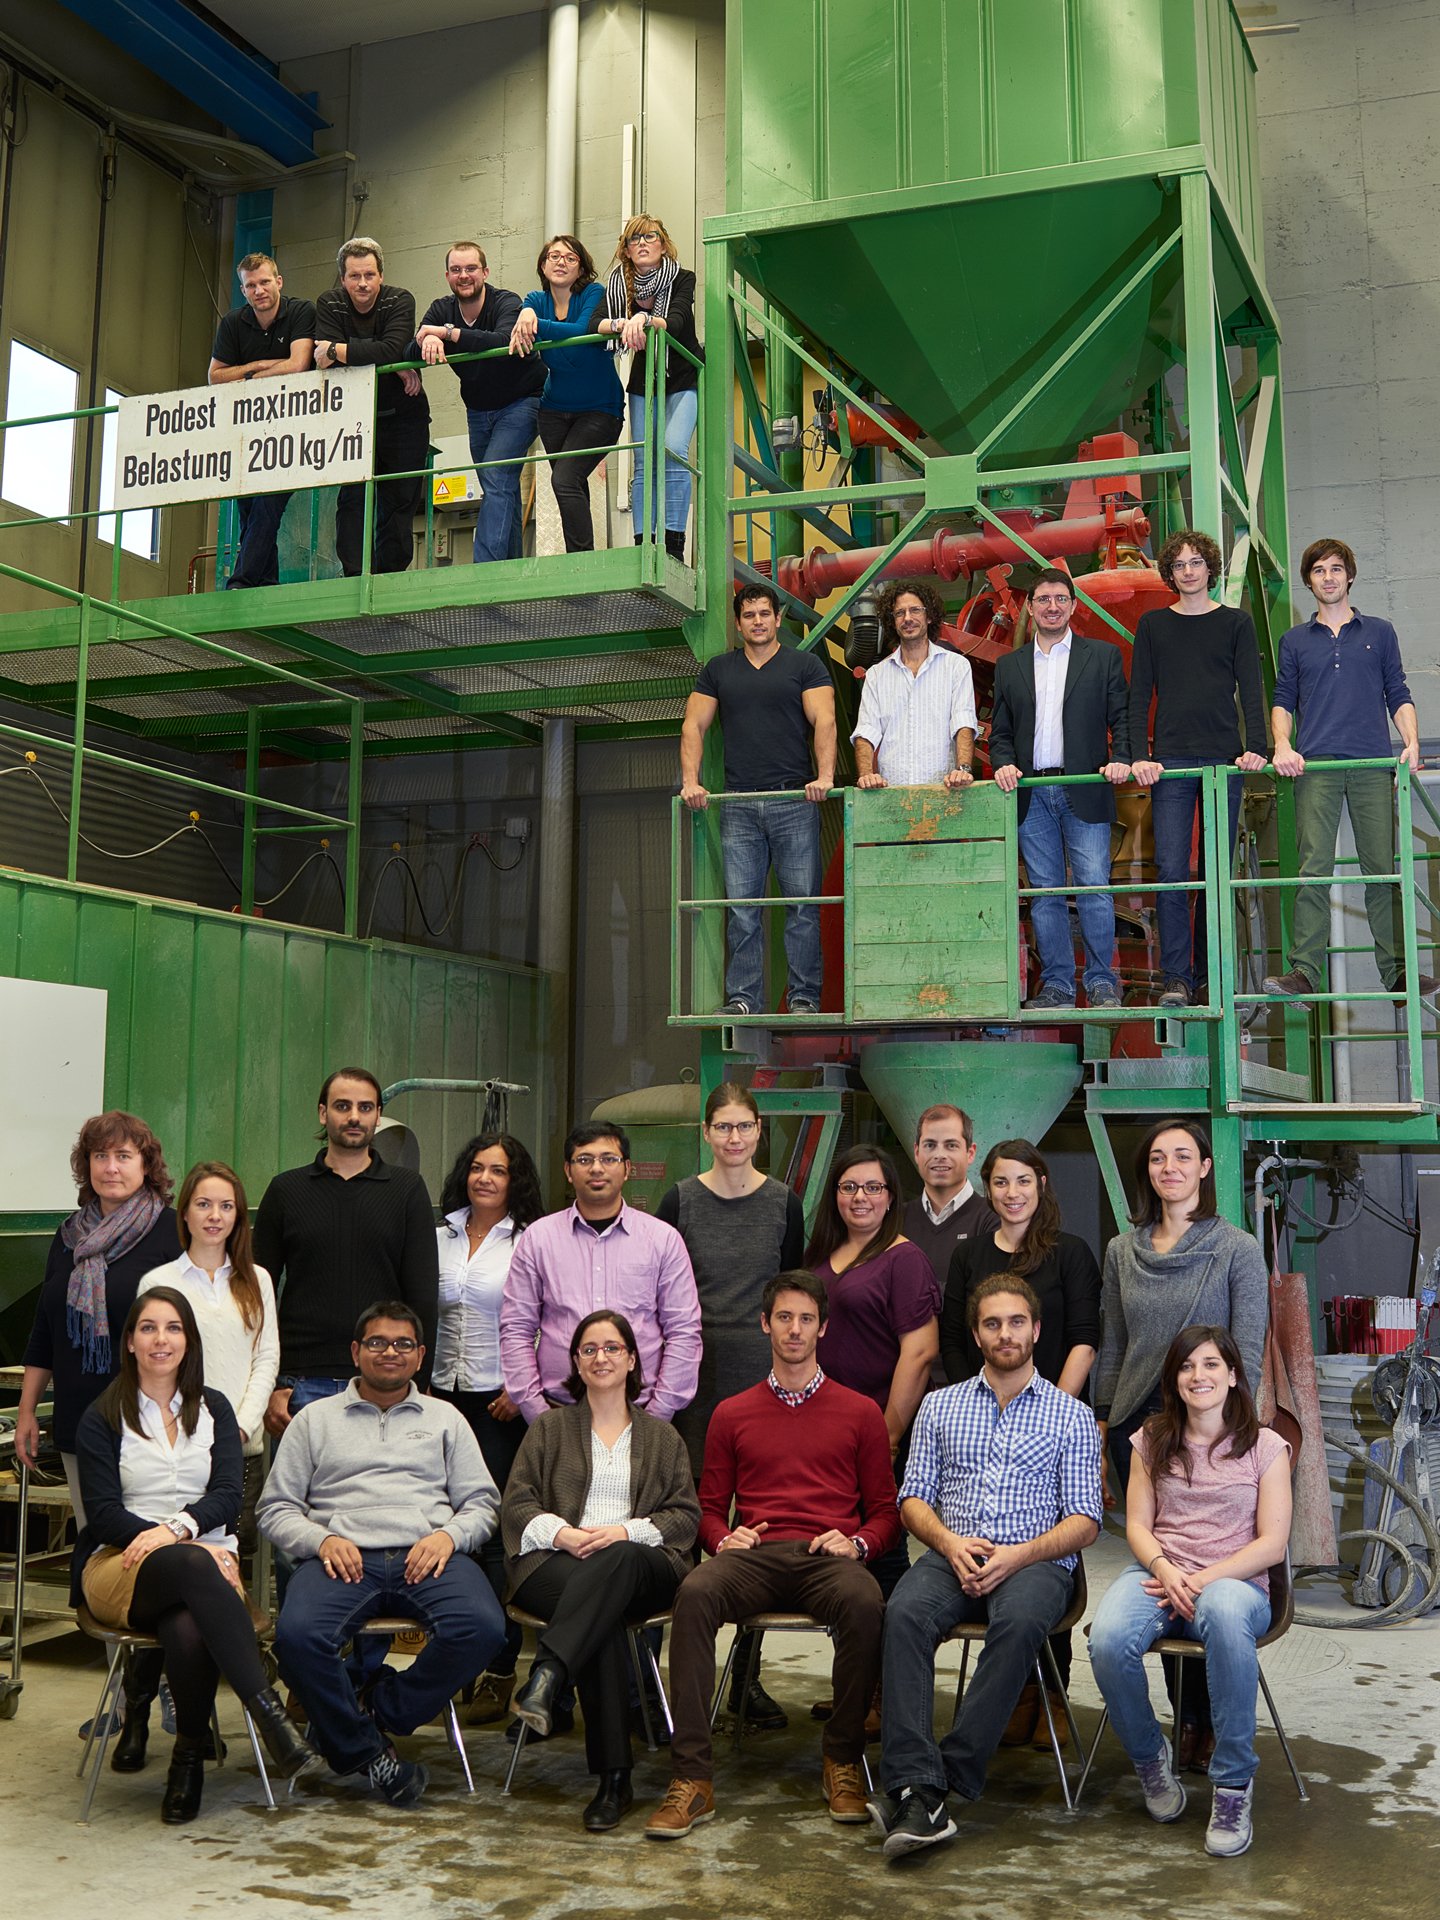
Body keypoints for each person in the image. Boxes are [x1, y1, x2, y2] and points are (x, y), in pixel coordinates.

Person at [645, 1271, 901, 1839]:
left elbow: (886, 1511)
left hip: (826, 1555)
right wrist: (720, 1538)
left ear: (823, 1328)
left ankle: (841, 1759)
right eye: (783, 1317)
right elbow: (707, 1508)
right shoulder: (733, 1412)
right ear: (766, 1324)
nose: (794, 1329)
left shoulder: (859, 1413)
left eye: (806, 1319)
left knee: (866, 1601)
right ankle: (692, 1778)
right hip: (754, 1552)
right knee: (693, 1593)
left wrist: (857, 1543)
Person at [871, 1276, 1102, 1859]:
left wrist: (1019, 1555)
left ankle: (937, 1782)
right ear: (976, 1334)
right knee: (901, 1613)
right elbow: (912, 1498)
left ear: (1036, 1329)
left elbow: (1086, 1520)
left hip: (1036, 1560)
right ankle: (919, 1784)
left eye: (1017, 1322)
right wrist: (948, 1543)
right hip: (953, 1553)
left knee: (1019, 1623)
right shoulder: (940, 1406)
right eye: (993, 1323)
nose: (1006, 1333)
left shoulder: (1068, 1415)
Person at [72, 1287, 317, 1823]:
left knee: (186, 1625)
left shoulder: (214, 1408)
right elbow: (104, 1514)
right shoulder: (102, 1415)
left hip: (200, 1562)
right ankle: (266, 1712)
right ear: (131, 1342)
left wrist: (177, 1530)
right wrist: (175, 1538)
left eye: (174, 1328)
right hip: (120, 1563)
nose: (161, 1339)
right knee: (194, 1563)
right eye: (148, 1328)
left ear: (190, 1340)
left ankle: (188, 1759)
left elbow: (230, 1496)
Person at [259, 1300, 506, 1807]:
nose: (389, 1352)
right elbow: (275, 1508)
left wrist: (448, 1537)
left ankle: (377, 1712)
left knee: (483, 1627)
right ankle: (369, 1754)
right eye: (376, 1342)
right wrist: (321, 1540)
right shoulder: (314, 1420)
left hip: (431, 1556)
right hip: (342, 1560)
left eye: (402, 1344)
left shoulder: (446, 1418)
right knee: (298, 1635)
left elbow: (483, 1504)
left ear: (419, 1357)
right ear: (356, 1352)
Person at [1093, 1119, 1269, 1771]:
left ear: (1203, 1168)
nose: (1169, 1166)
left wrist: (1234, 1429)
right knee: (1161, 1565)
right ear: (1148, 1173)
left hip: (1214, 1425)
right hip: (1142, 1427)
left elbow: (1245, 1348)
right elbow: (1114, 1345)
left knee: (1208, 1561)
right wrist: (1105, 1424)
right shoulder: (1121, 1250)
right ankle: (1185, 1718)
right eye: (1158, 1158)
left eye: (1183, 1156)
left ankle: (1206, 1721)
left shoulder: (1237, 1249)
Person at [1088, 1325, 1293, 1859]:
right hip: (1160, 1573)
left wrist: (1202, 1579)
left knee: (1224, 1613)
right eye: (1186, 1366)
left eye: (1209, 1364)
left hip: (1233, 1584)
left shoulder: (1266, 1446)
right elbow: (1136, 1525)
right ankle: (1151, 1762)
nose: (1198, 1375)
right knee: (1108, 1639)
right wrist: (1166, 1568)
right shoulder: (1150, 1439)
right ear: (1173, 1379)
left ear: (1232, 1374)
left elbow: (1273, 1544)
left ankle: (1232, 1786)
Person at [502, 1310, 700, 1831]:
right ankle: (615, 1780)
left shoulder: (662, 1437)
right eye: (589, 1349)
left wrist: (623, 1532)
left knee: (617, 1561)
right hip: (558, 1564)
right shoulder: (550, 1428)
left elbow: (684, 1516)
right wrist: (563, 1534)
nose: (601, 1357)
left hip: (642, 1565)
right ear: (575, 1362)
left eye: (613, 1348)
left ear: (633, 1359)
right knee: (601, 1616)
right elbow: (517, 1503)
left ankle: (547, 1674)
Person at [939, 1137, 1101, 1743]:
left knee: (1049, 1554)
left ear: (1041, 1186)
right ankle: (1013, 1694)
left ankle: (1049, 1695)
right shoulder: (970, 1253)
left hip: (1054, 1417)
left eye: (1023, 1181)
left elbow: (1085, 1335)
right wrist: (977, 1403)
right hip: (979, 1417)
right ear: (989, 1188)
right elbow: (955, 1338)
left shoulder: (1071, 1253)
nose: (1012, 1193)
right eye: (1001, 1182)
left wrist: (1048, 1407)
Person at [657, 1082, 805, 1732]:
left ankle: (747, 1677)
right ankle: (683, 1678)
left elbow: (792, 1290)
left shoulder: (783, 1203)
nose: (735, 1138)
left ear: (758, 1131)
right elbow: (664, 1287)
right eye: (724, 1126)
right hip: (696, 1377)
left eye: (745, 1126)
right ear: (707, 1131)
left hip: (766, 1380)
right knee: (693, 1522)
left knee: (765, 1525)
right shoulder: (680, 1200)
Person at [1264, 535, 1438, 1006]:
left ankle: (1399, 974)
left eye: (1336, 568)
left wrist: (1412, 741)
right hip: (1316, 766)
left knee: (1381, 870)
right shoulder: (1295, 641)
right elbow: (1282, 700)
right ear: (1309, 582)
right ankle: (1304, 971)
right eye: (1319, 571)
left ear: (1350, 575)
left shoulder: (1379, 632)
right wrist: (1282, 743)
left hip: (1371, 765)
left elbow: (1397, 691)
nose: (1328, 577)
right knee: (1312, 870)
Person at [254, 1066, 439, 1441]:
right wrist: (269, 1384)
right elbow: (257, 1295)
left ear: (377, 1115)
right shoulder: (286, 1190)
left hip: (385, 1380)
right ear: (323, 1113)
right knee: (298, 1500)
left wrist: (418, 1378)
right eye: (343, 1106)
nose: (354, 1116)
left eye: (365, 1107)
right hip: (300, 1386)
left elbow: (422, 1294)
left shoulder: (406, 1191)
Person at [680, 581, 837, 1017]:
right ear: (738, 623)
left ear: (778, 619)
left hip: (793, 801)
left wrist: (824, 776)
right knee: (743, 910)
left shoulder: (804, 666)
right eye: (749, 616)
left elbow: (824, 719)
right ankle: (743, 998)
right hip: (739, 806)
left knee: (803, 906)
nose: (758, 622)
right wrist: (689, 782)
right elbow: (693, 725)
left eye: (764, 614)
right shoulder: (718, 670)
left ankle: (804, 997)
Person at [16, 1110, 180, 1525]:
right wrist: (27, 1410)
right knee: (95, 1544)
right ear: (85, 1164)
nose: (110, 1167)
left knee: (146, 1548)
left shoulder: (172, 1232)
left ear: (147, 1165)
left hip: (149, 1422)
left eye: (124, 1156)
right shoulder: (69, 1235)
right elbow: (45, 1332)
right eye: (100, 1155)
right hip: (78, 1418)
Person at [430, 1129, 544, 1725]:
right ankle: (455, 1658)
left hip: (501, 1403)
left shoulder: (530, 1239)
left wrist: (516, 1387)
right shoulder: (440, 1235)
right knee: (448, 1527)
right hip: (441, 1399)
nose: (485, 1179)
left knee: (499, 1532)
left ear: (514, 1180)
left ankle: (501, 1667)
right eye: (476, 1168)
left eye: (498, 1170)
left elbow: (545, 1318)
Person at [1128, 529, 1269, 1008]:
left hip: (1222, 762)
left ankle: (1209, 975)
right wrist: (1137, 756)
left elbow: (1252, 690)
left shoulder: (1236, 624)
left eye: (1195, 562)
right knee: (1171, 871)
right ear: (1170, 574)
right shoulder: (1153, 625)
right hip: (1169, 763)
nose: (1188, 571)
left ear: (1210, 568)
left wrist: (1258, 751)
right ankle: (1176, 979)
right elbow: (1138, 695)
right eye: (1179, 565)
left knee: (1215, 871)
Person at [989, 568, 1133, 1010]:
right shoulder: (1009, 666)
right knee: (1045, 893)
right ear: (1030, 608)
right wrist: (1003, 764)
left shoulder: (1102, 657)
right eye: (1043, 599)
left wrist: (1122, 759)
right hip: (1032, 792)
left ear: (1074, 606)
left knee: (1093, 886)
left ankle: (1103, 982)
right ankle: (1056, 986)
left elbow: (1122, 718)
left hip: (1083, 786)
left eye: (1061, 598)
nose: (1052, 606)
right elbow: (1001, 732)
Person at [499, 1122, 701, 1430]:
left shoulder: (662, 1240)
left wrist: (658, 1416)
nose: (597, 1168)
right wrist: (538, 1415)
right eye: (584, 1160)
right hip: (558, 1414)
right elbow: (516, 1329)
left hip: (642, 1414)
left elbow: (684, 1331)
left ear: (627, 1168)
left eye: (609, 1159)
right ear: (568, 1170)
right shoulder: (539, 1239)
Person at [141, 1161, 279, 1580]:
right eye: (203, 1204)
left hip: (240, 1444)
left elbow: (266, 1358)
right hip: (175, 1444)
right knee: (177, 1554)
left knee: (232, 1559)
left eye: (226, 1206)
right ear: (185, 1212)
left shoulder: (258, 1280)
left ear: (239, 1216)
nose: (215, 1216)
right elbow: (151, 1363)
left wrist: (238, 1426)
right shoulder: (158, 1282)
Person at [413, 240, 546, 563]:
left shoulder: (505, 301)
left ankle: (484, 571)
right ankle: (511, 570)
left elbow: (502, 340)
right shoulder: (441, 308)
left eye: (471, 268)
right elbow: (411, 348)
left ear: (485, 272)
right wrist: (427, 337)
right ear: (447, 275)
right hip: (478, 411)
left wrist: (447, 334)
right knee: (502, 487)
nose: (464, 275)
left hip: (522, 401)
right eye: (456, 270)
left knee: (496, 474)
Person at [314, 238, 430, 576]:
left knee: (400, 500)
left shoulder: (399, 298)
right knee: (352, 500)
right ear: (342, 278)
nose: (362, 284)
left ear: (381, 275)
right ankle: (353, 577)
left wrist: (339, 351)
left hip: (404, 419)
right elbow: (326, 360)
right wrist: (385, 356)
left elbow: (393, 348)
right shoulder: (329, 303)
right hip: (351, 419)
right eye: (354, 276)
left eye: (369, 275)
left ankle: (389, 578)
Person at [597, 213, 703, 562]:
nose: (642, 243)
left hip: (683, 373)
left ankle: (673, 543)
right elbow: (596, 324)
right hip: (645, 379)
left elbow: (677, 320)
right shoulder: (617, 286)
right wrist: (620, 322)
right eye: (634, 239)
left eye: (650, 237)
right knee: (644, 461)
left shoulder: (681, 278)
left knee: (672, 450)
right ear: (626, 250)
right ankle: (645, 542)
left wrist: (643, 319)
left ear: (663, 243)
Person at [508, 235, 625, 553]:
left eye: (570, 257)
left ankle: (581, 560)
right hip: (553, 411)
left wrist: (534, 322)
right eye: (554, 256)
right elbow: (520, 328)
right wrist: (526, 315)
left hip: (600, 410)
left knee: (563, 479)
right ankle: (583, 559)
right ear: (543, 265)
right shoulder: (535, 298)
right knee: (571, 482)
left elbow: (584, 331)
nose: (561, 262)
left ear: (582, 266)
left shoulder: (593, 293)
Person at [206, 252, 316, 588]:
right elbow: (214, 377)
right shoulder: (233, 323)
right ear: (243, 290)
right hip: (247, 431)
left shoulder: (300, 311)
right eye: (251, 285)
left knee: (269, 503)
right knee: (249, 507)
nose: (259, 290)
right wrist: (264, 367)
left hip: (293, 429)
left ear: (278, 282)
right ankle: (266, 581)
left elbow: (298, 364)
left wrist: (245, 375)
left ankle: (242, 578)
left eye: (265, 282)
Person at [853, 580, 978, 790]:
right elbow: (866, 732)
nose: (908, 618)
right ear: (892, 622)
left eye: (915, 610)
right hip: (892, 794)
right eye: (900, 613)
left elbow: (963, 722)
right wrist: (866, 775)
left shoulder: (956, 666)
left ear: (929, 617)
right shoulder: (876, 675)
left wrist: (963, 769)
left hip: (943, 791)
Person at [901, 1103, 998, 1294]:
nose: (939, 1155)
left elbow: (985, 1298)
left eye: (951, 1145)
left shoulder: (991, 1220)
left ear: (970, 1153)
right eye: (930, 1145)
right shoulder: (896, 1219)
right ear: (917, 1152)